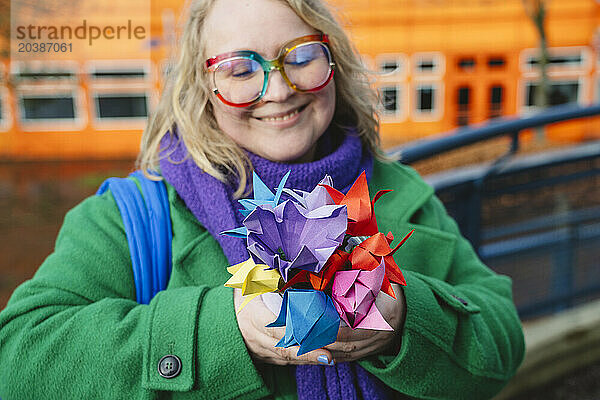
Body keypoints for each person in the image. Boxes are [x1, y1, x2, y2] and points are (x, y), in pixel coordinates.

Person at [0, 0, 525, 398]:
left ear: (333, 63)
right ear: (202, 87)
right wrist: (226, 331)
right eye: (240, 69)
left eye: (299, 57)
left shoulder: (404, 196)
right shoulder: (133, 216)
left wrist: (405, 321)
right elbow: (19, 358)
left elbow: (502, 336)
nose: (278, 90)